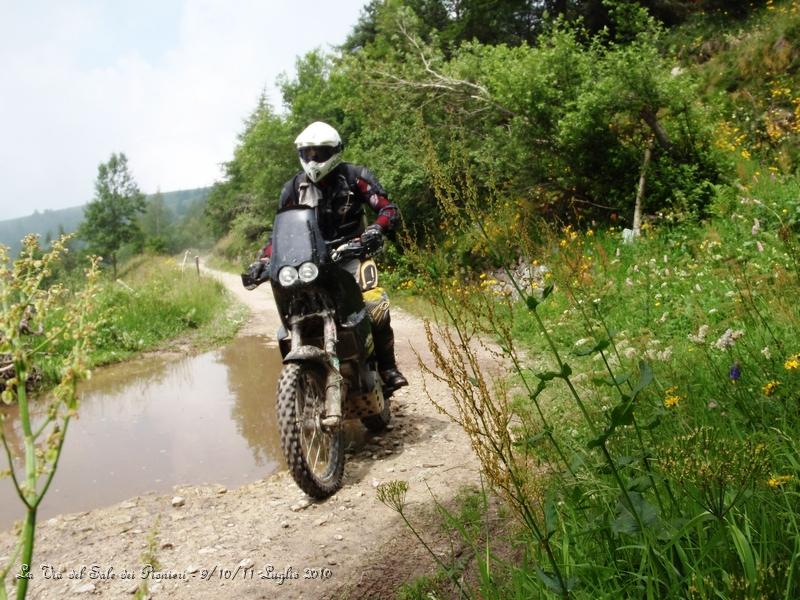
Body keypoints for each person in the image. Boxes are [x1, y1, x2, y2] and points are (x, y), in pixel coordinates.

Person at [247, 121, 408, 392]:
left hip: (353, 253)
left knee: (375, 305)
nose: (313, 160)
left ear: (334, 151)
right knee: (296, 308)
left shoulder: (356, 177)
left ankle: (388, 368)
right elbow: (280, 234)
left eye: (319, 153)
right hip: (312, 261)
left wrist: (375, 230)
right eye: (307, 153)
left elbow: (387, 208)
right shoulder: (293, 188)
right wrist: (263, 260)